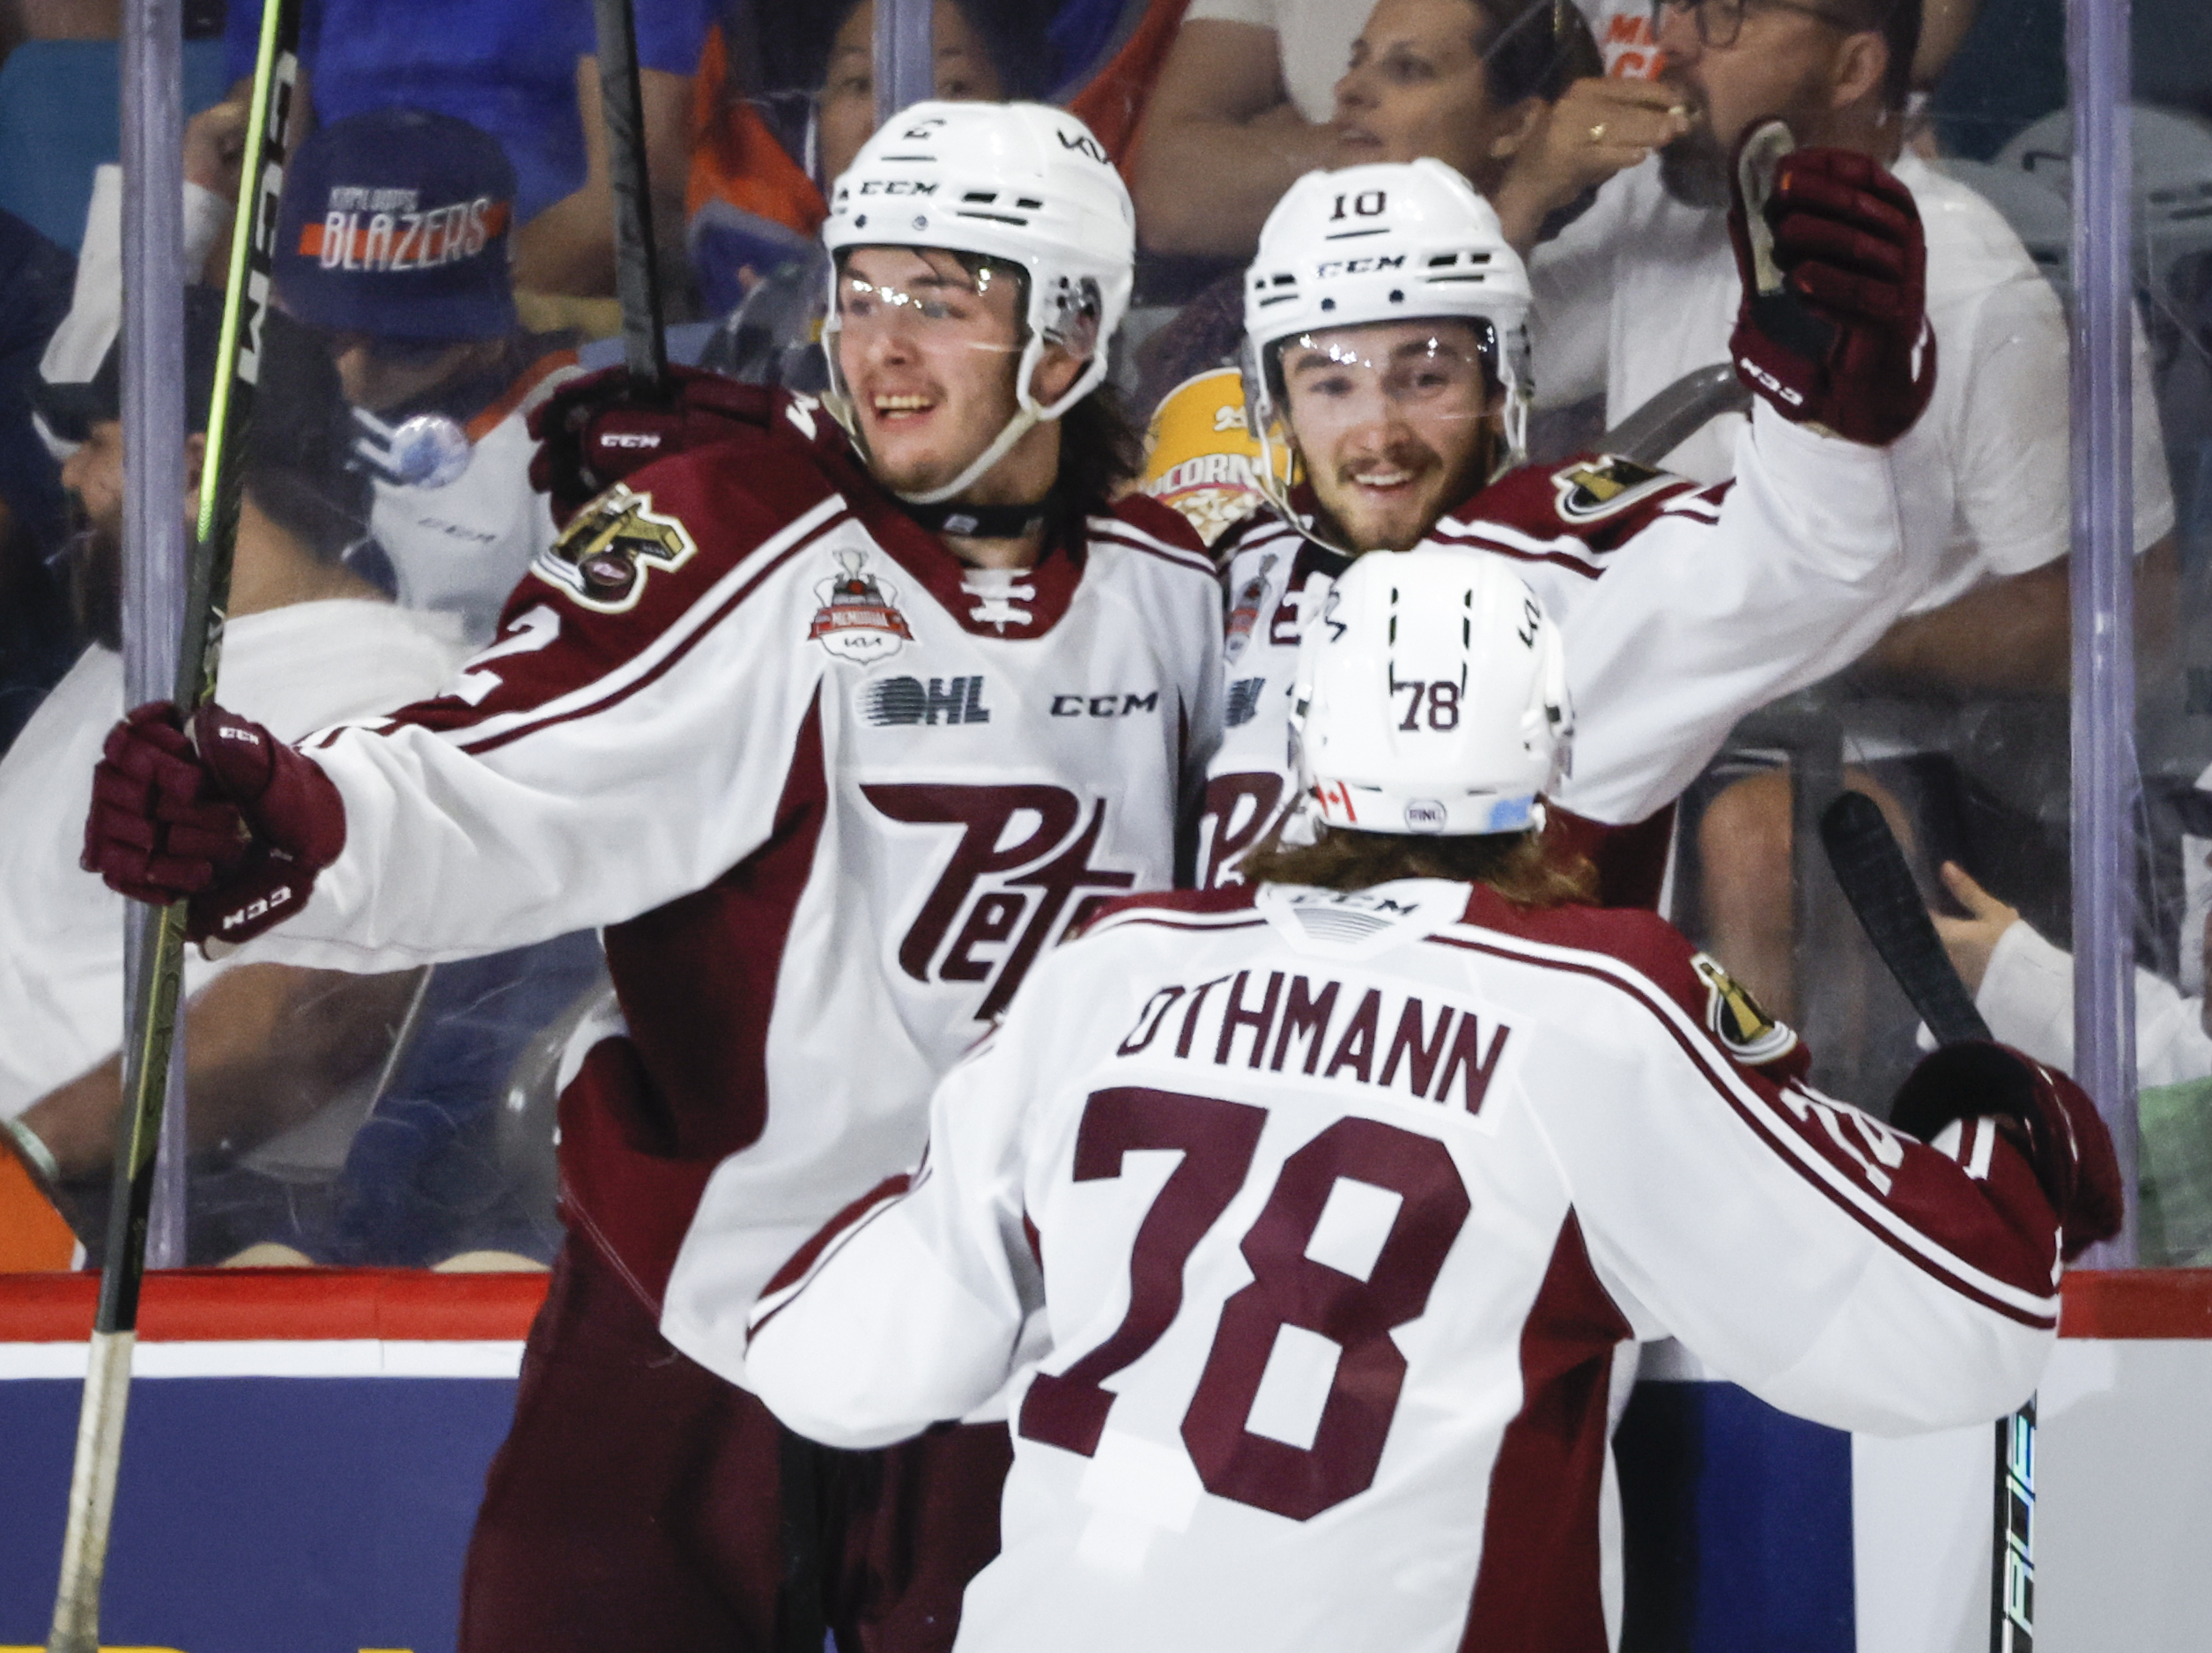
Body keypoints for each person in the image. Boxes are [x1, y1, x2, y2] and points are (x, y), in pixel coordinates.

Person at [82, 101, 1222, 1652]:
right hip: (717, 1306)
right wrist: (292, 817)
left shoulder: (1175, 589)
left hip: (1034, 1324)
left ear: (1074, 333)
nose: (880, 344)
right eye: (862, 290)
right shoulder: (743, 530)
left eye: (942, 302)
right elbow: (509, 765)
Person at [724, 547, 2120, 1653]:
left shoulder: (1114, 966)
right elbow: (1959, 1333)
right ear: (1548, 756)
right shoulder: (1602, 999)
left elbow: (837, 1365)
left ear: (1303, 744)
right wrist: (2003, 1145)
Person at [1520, 0, 2176, 1017]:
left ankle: (1777, 1155)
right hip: (1647, 706)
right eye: (1673, 10)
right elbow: (1460, 389)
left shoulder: (1975, 285)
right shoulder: (1654, 215)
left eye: (1725, 15)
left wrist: (1812, 634)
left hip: (1889, 746)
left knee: (1759, 843)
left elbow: (2104, 619)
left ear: (1853, 65)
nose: (1671, 45)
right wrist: (1531, 183)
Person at [1197, 150, 1943, 901]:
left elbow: (1820, 553)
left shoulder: (1569, 555)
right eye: (1331, 386)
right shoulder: (1222, 573)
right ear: (1278, 410)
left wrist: (1833, 419)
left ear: (1502, 386)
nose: (1378, 434)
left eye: (1424, 379)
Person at [0, 295, 470, 1260]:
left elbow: (300, 1019)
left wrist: (27, 1157)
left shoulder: (402, 698)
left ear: (188, 471)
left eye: (94, 442)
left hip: (115, 1226)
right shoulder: (129, 650)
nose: (70, 476)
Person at [271, 108, 585, 644]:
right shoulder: (240, 383)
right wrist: (194, 201)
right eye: (324, 336)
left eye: (409, 342)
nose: (356, 369)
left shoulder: (574, 443)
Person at [218, 0, 714, 299]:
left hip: (541, 317)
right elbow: (253, 190)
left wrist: (433, 321)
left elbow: (626, 204)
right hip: (339, 307)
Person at [1130, 0, 1635, 261]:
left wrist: (1521, 203)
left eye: (1409, 70)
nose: (1347, 88)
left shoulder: (1575, 290)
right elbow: (1168, 197)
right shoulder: (1299, 284)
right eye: (1358, 61)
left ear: (1517, 125)